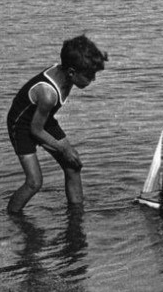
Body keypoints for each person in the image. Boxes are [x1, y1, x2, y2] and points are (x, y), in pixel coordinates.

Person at [6, 35, 109, 214]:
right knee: (34, 182)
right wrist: (63, 149)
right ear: (71, 72)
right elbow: (35, 130)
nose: (93, 80)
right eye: (89, 76)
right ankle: (12, 217)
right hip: (22, 125)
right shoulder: (48, 94)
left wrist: (66, 150)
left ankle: (76, 216)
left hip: (42, 118)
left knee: (73, 165)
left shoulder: (66, 73)